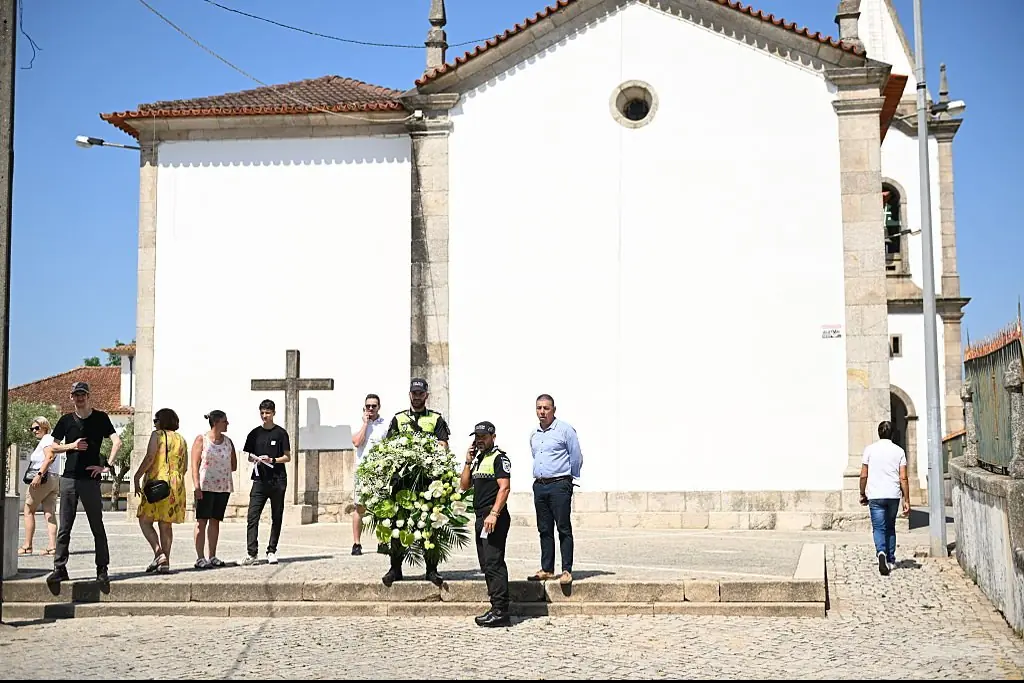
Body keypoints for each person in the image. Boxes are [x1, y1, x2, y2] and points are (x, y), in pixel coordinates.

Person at [43, 382, 122, 585]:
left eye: (83, 394)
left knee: (97, 525)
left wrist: (106, 466)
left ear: (88, 396)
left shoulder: (101, 418)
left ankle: (102, 569)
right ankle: (59, 568)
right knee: (65, 527)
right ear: (71, 397)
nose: (79, 398)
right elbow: (53, 447)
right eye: (76, 395)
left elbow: (117, 442)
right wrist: (73, 446)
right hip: (69, 478)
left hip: (90, 480)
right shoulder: (66, 420)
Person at [382, 377, 451, 586]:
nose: (417, 397)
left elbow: (443, 445)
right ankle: (395, 568)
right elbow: (389, 446)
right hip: (402, 481)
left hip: (427, 481)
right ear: (410, 395)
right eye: (414, 393)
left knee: (430, 525)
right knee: (397, 524)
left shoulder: (436, 419)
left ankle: (431, 569)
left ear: (426, 396)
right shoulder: (399, 419)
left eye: (421, 394)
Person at [460, 420, 512, 627]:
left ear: (493, 437)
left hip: (493, 518)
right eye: (477, 437)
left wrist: (494, 514)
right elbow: (464, 486)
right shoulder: (480, 459)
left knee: (494, 563)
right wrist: (467, 462)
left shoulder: (500, 458)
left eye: (483, 437)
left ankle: (501, 611)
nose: (479, 440)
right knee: (486, 564)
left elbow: (505, 488)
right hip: (480, 517)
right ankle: (495, 606)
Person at [528, 394, 582, 586]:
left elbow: (576, 456)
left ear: (554, 410)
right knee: (544, 528)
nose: (542, 412)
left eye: (546, 408)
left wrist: (569, 480)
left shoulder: (565, 430)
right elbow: (535, 455)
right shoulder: (534, 433)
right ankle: (547, 568)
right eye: (539, 408)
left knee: (563, 528)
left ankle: (567, 569)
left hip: (559, 484)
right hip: (540, 485)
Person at [133, 408, 189, 573]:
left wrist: (137, 476)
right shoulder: (182, 439)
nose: (154, 423)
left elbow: (151, 457)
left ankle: (159, 552)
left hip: (157, 482)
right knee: (166, 524)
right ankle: (165, 562)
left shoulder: (157, 435)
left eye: (155, 420)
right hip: (176, 485)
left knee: (145, 520)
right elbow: (184, 466)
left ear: (161, 421)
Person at [241, 399, 291, 566]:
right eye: (262, 413)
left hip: (277, 480)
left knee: (276, 516)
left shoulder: (281, 433)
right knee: (252, 516)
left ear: (273, 413)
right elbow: (248, 455)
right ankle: (252, 553)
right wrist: (255, 459)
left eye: (268, 413)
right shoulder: (254, 433)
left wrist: (273, 459)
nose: (265, 416)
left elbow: (287, 457)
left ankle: (271, 550)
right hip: (259, 480)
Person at [860, 420, 910, 576]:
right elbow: (903, 478)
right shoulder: (899, 451)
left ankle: (881, 552)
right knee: (890, 527)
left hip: (875, 495)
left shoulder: (869, 450)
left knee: (878, 527)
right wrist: (906, 499)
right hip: (893, 494)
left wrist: (862, 493)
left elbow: (864, 474)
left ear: (878, 433)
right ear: (892, 434)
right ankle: (890, 559)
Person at [191, 410, 237, 569]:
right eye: (225, 421)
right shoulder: (201, 440)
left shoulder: (228, 441)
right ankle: (200, 557)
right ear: (216, 422)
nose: (227, 424)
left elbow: (234, 465)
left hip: (222, 487)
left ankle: (212, 555)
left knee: (215, 521)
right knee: (201, 521)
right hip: (205, 486)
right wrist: (196, 486)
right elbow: (194, 465)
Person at [349, 393, 386, 556]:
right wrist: (365, 424)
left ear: (379, 407)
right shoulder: (359, 422)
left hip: (379, 471)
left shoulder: (385, 425)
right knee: (360, 507)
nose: (371, 409)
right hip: (363, 470)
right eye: (368, 406)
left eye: (374, 406)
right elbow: (357, 442)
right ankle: (356, 543)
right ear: (364, 408)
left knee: (382, 508)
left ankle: (383, 542)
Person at [19, 417, 59, 556]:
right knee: (49, 513)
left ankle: (27, 545)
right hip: (54, 478)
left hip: (43, 479)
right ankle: (53, 547)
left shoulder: (47, 440)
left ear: (45, 427)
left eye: (37, 428)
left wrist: (39, 475)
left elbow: (49, 457)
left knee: (28, 510)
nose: (34, 431)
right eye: (32, 429)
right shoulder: (52, 439)